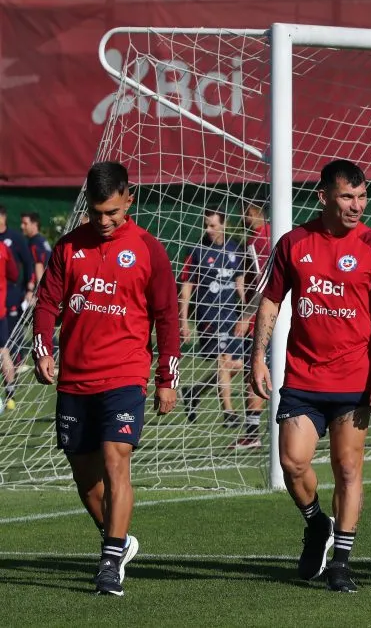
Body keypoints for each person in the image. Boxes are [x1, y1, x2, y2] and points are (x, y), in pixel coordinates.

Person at [250, 159, 371, 592]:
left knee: (348, 468)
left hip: (355, 378)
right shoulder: (293, 244)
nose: (357, 206)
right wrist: (257, 359)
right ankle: (317, 523)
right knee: (292, 462)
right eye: (347, 197)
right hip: (302, 375)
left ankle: (341, 562)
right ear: (323, 197)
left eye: (361, 196)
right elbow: (270, 304)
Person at [31, 161, 180, 596]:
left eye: (112, 212)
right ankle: (119, 539)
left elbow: (167, 317)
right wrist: (44, 349)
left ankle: (110, 563)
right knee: (86, 479)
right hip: (75, 380)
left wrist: (165, 377)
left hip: (125, 374)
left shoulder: (149, 250)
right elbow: (46, 304)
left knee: (117, 459)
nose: (104, 221)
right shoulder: (68, 248)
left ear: (128, 199)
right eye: (97, 213)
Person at [178, 209, 245, 427]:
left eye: (213, 225)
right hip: (208, 315)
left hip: (231, 315)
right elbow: (186, 288)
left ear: (224, 225)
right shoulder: (196, 251)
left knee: (237, 364)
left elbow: (240, 283)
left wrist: (246, 311)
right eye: (206, 225)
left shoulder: (235, 249)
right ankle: (229, 413)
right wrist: (184, 321)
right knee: (225, 361)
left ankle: (193, 392)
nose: (208, 230)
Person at [229, 201, 273, 449]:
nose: (243, 218)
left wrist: (246, 315)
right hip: (289, 316)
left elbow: (262, 284)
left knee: (253, 373)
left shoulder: (257, 241)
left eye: (244, 212)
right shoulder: (281, 234)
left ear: (254, 213)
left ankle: (252, 433)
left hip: (263, 318)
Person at [0, 206, 34, 353]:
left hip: (11, 292)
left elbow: (28, 263)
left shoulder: (15, 238)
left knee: (12, 329)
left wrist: (30, 288)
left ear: (3, 217)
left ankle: (16, 360)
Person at [20, 211, 52, 307]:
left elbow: (39, 265)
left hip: (36, 290)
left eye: (25, 223)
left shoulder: (34, 243)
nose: (22, 226)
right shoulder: (42, 241)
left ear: (34, 224)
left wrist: (34, 291)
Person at [0, 240, 18, 407]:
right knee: (4, 353)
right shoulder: (3, 248)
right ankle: (10, 393)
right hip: (0, 312)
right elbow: (14, 275)